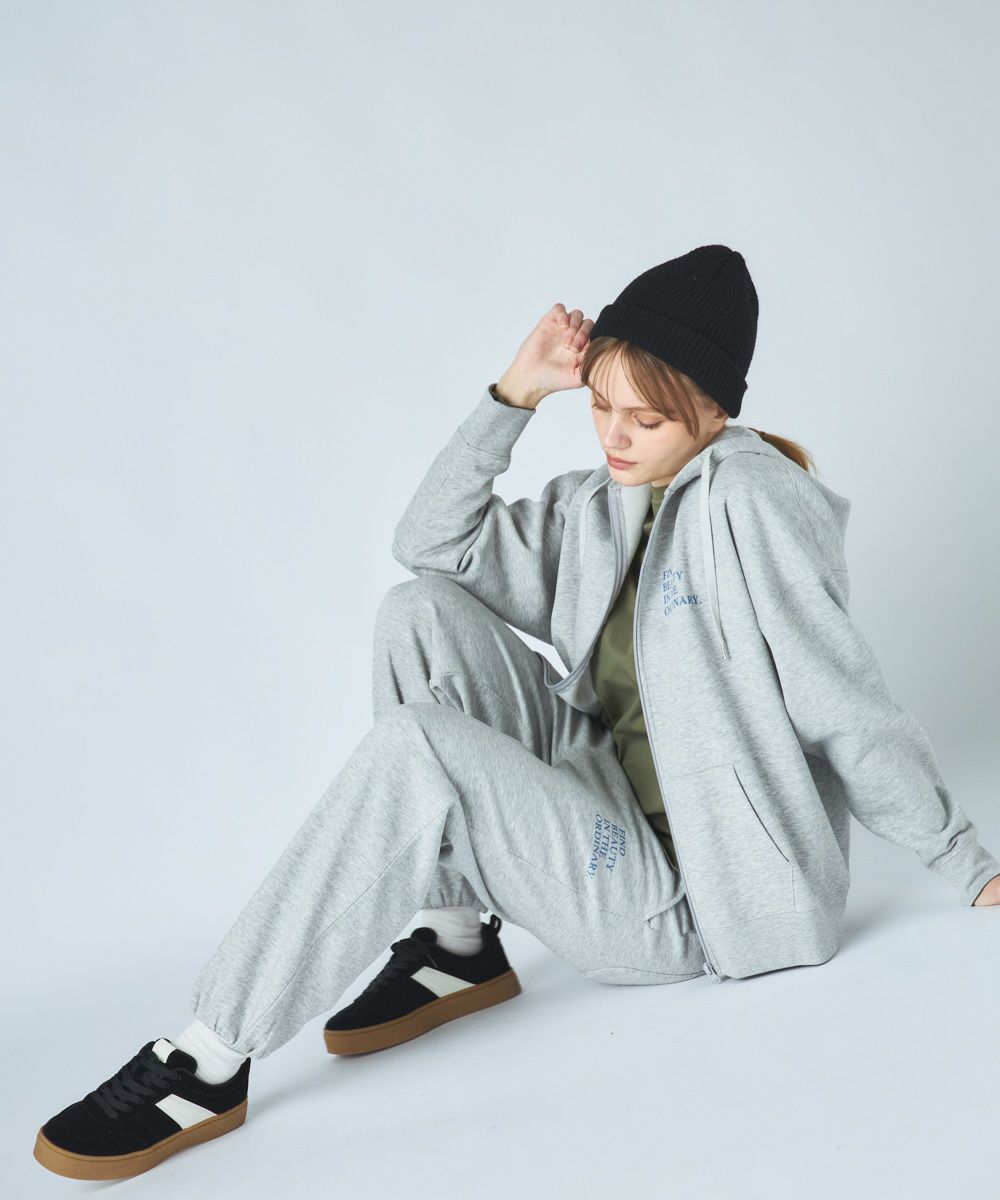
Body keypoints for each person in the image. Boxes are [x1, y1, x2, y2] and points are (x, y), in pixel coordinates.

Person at [33, 245, 1000, 1181]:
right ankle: (456, 944)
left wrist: (966, 860)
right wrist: (513, 397)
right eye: (602, 407)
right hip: (603, 793)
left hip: (696, 900)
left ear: (713, 411)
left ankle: (206, 1057)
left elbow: (843, 701)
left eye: (645, 419)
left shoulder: (751, 505)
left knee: (419, 750)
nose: (615, 438)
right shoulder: (601, 504)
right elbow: (430, 544)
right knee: (417, 613)